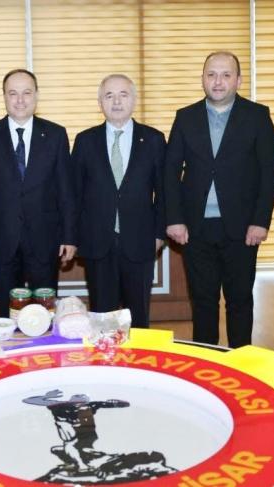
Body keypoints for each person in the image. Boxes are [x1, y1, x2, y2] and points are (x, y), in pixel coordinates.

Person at [163, 51, 274, 348]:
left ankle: (241, 364)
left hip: (242, 228)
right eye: (211, 74)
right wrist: (174, 218)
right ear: (202, 79)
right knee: (203, 302)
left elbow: (270, 172)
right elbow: (170, 172)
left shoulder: (257, 116)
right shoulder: (185, 117)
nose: (218, 81)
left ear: (238, 80)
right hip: (195, 228)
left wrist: (260, 221)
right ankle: (207, 362)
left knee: (240, 301)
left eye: (226, 75)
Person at [0, 69, 77, 318]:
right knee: (9, 314)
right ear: (4, 97)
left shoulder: (56, 135)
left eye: (26, 93)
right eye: (13, 93)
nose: (20, 100)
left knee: (45, 312)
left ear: (36, 96)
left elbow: (66, 191)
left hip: (45, 239)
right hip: (2, 240)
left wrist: (70, 237)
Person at [72, 74, 165, 327]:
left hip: (140, 241)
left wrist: (159, 234)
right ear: (100, 102)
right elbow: (74, 195)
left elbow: (164, 192)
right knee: (103, 320)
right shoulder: (85, 141)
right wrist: (74, 237)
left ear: (133, 99)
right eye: (109, 96)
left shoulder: (154, 140)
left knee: (139, 319)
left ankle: (138, 354)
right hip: (97, 243)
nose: (116, 102)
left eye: (123, 95)